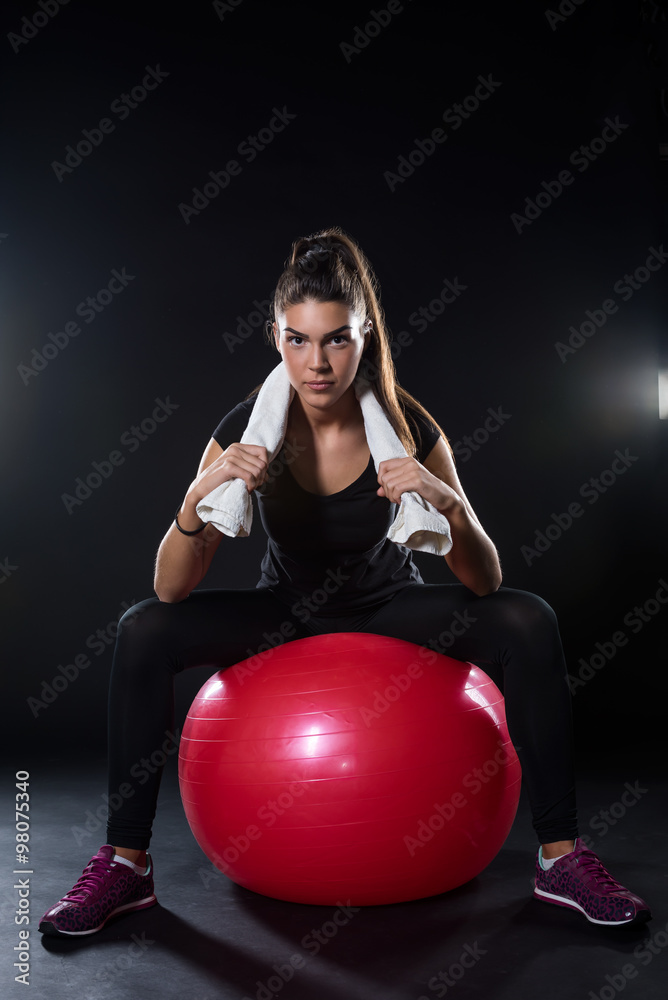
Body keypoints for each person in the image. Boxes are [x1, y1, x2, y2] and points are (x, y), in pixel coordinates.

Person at [39, 226, 651, 937]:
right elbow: (172, 589)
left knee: (528, 617)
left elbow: (484, 580)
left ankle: (560, 858)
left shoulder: (408, 424)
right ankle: (125, 865)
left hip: (389, 606)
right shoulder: (248, 427)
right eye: (299, 339)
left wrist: (448, 504)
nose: (318, 361)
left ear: (365, 336)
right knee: (142, 628)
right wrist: (190, 506)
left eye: (336, 339)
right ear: (275, 336)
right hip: (284, 610)